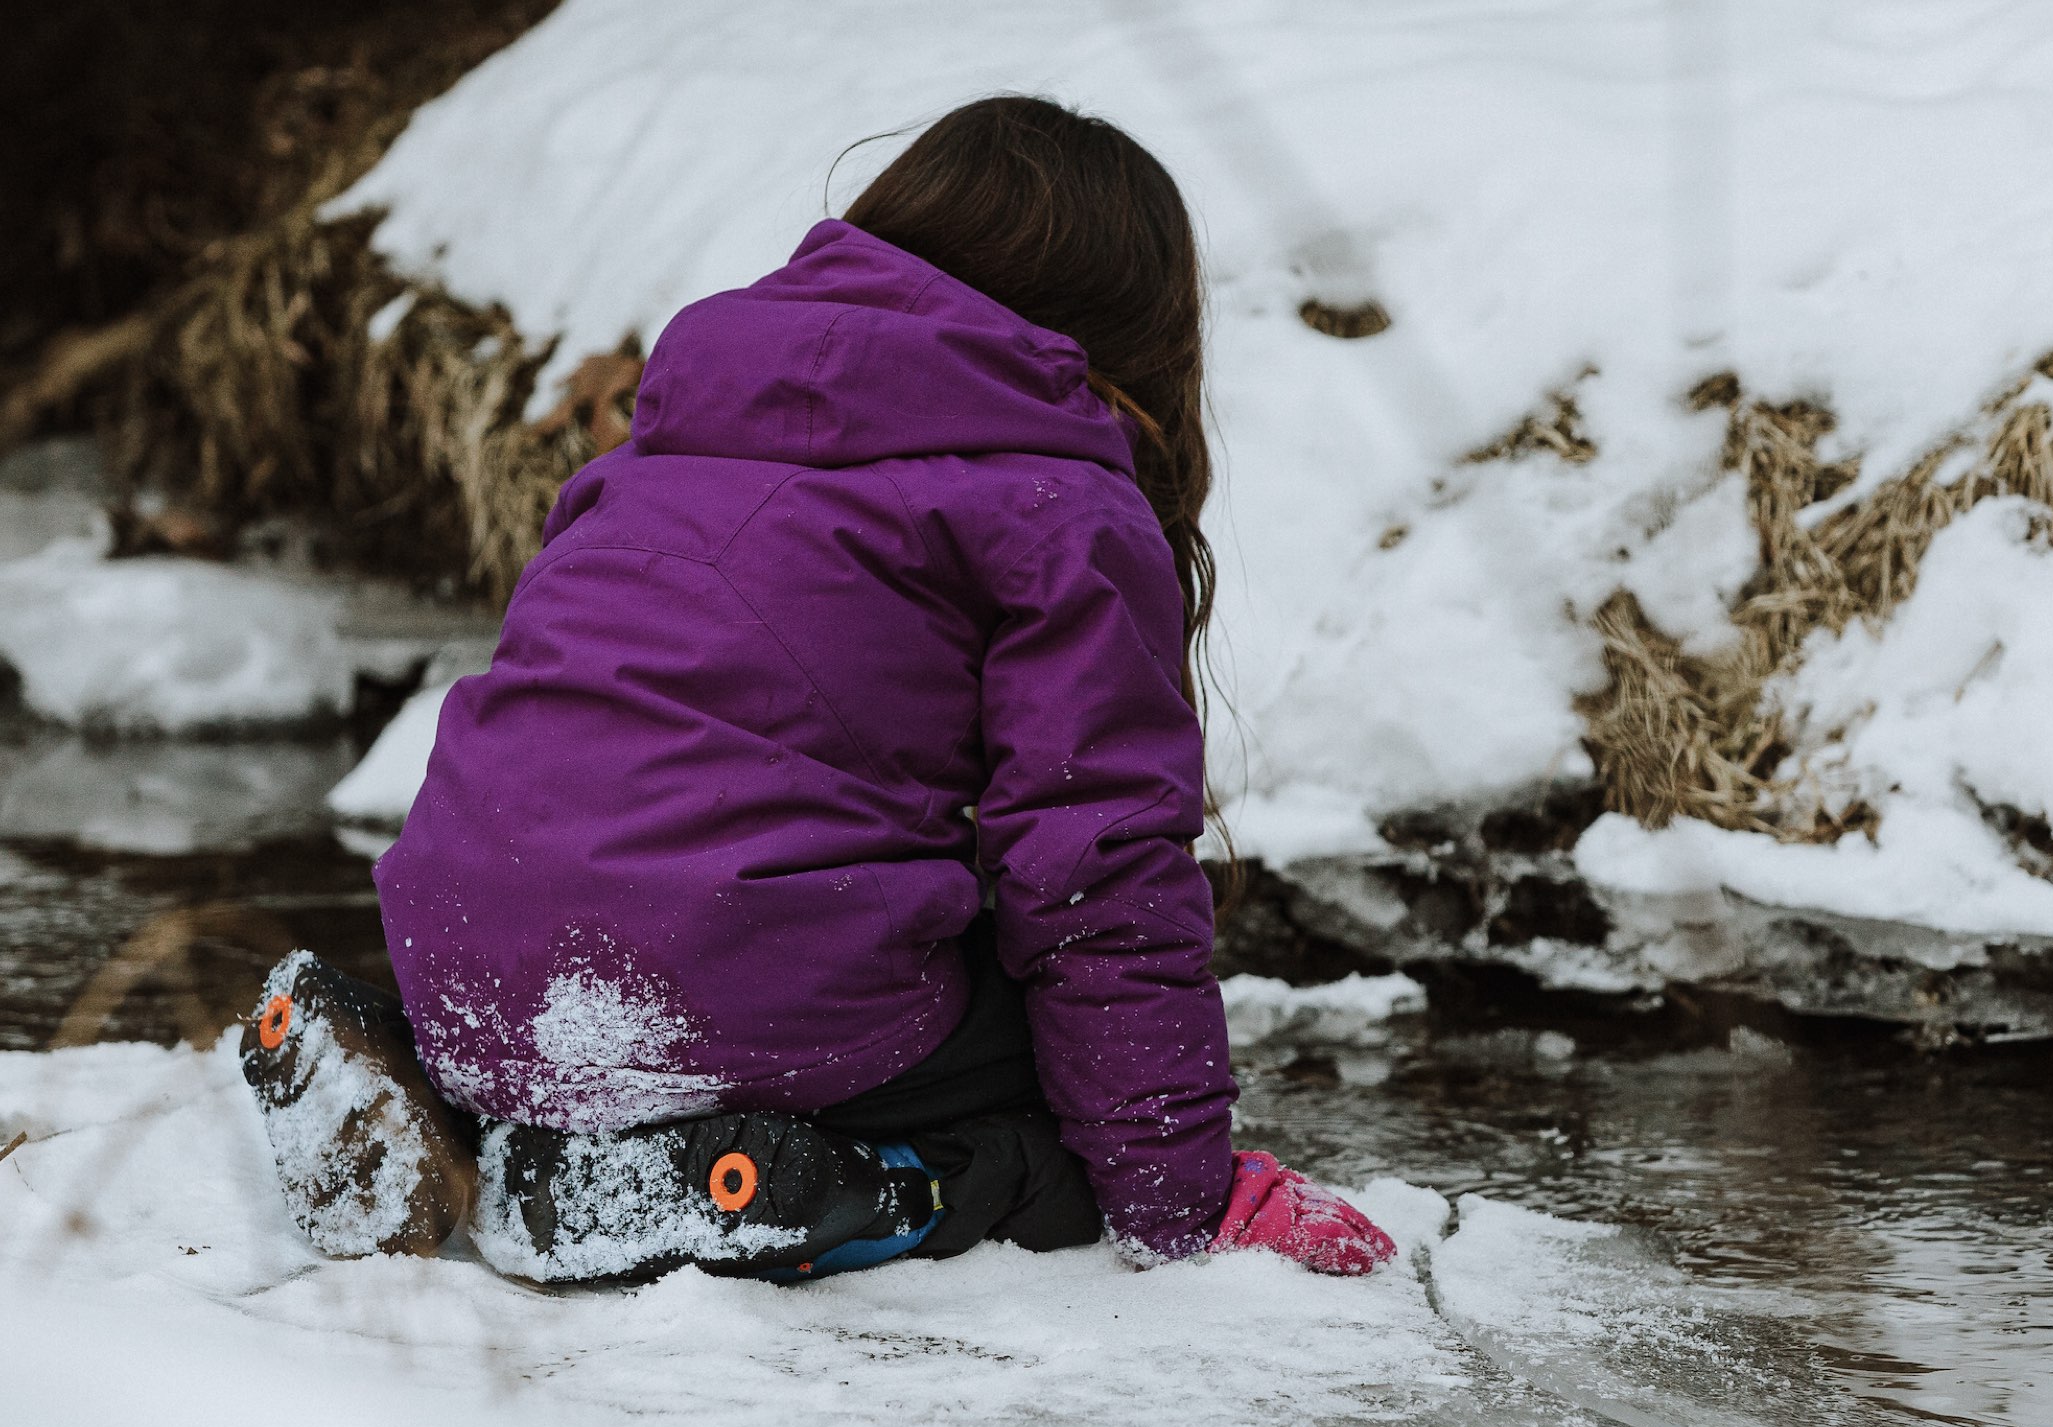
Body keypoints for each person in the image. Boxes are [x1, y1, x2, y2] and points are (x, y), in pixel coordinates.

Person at [238, 95, 1393, 1283]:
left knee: (678, 960)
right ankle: (746, 1188)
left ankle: (455, 1108)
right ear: (1136, 325)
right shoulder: (1055, 503)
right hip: (723, 986)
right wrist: (1178, 1198)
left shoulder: (671, 434)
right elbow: (1094, 872)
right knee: (1052, 1138)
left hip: (469, 966)